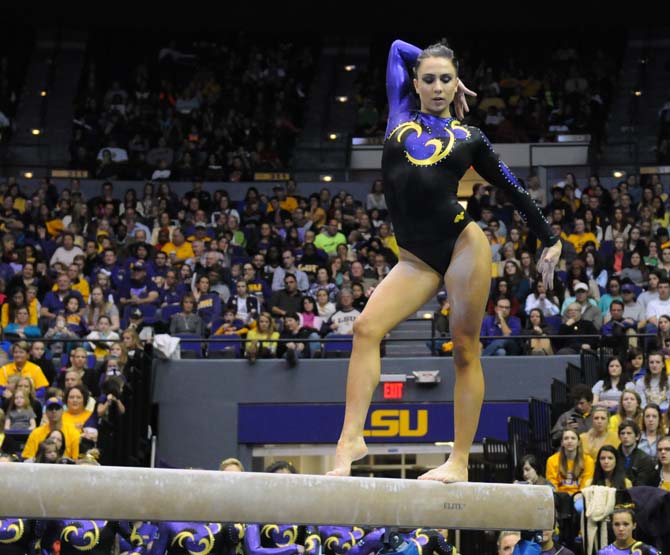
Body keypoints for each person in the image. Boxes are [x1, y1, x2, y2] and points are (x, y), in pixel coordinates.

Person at [329, 39, 561, 482]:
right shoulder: (399, 112)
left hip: (461, 246)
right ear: (414, 83)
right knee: (364, 329)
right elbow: (396, 47)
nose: (438, 87)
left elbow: (513, 188)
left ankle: (459, 461)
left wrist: (550, 238)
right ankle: (351, 438)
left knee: (465, 350)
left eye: (447, 80)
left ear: (457, 86)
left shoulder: (470, 138)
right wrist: (438, 61)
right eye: (430, 79)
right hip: (416, 257)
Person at [546, 429, 595, 495]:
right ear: (562, 443)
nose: (569, 441)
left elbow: (586, 485)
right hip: (560, 497)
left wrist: (578, 496)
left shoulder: (588, 461)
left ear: (578, 442)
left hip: (580, 496)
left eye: (573, 438)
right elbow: (552, 484)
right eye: (566, 438)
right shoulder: (552, 460)